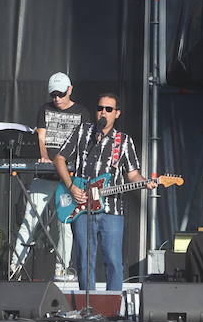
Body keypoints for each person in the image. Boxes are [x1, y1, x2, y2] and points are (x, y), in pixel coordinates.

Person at [54, 92, 144, 294]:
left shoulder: (124, 142)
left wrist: (145, 182)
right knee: (85, 260)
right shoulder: (82, 132)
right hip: (81, 207)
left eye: (108, 109)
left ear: (117, 114)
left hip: (111, 210)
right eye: (100, 108)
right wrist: (71, 187)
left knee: (113, 260)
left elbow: (133, 175)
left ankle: (113, 306)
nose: (103, 112)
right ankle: (88, 307)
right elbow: (59, 159)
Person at [13, 72, 92, 279]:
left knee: (64, 223)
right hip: (45, 175)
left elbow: (84, 143)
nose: (56, 98)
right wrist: (44, 157)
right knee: (31, 218)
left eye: (60, 94)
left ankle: (62, 268)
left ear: (70, 90)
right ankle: (15, 265)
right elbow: (41, 136)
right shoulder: (44, 109)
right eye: (53, 94)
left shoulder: (83, 113)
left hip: (69, 177)